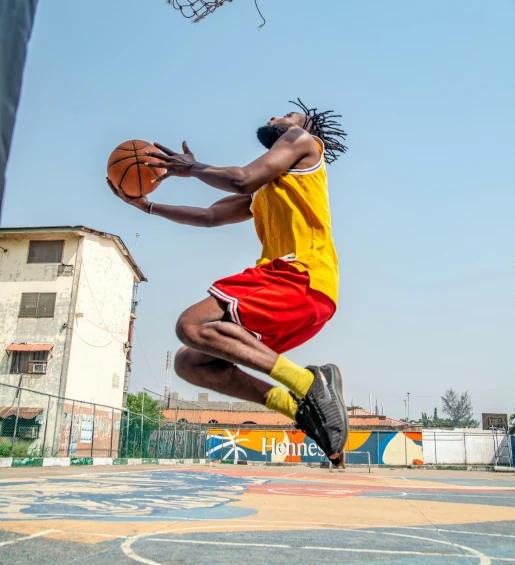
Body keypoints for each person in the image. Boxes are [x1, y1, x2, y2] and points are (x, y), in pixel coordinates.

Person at [107, 99, 348, 462]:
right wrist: (147, 207)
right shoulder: (268, 189)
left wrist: (193, 168)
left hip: (300, 276)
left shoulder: (303, 141)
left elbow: (241, 178)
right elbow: (210, 215)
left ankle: (308, 384)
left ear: (304, 126)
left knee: (191, 323)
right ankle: (299, 408)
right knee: (192, 362)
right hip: (303, 294)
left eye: (286, 114)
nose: (274, 117)